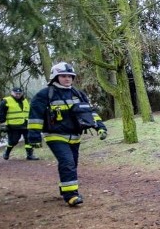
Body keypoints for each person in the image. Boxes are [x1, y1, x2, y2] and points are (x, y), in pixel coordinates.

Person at [27, 62, 107, 207]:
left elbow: (89, 113)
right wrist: (34, 137)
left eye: (70, 76)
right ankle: (71, 196)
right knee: (67, 162)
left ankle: (65, 189)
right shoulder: (45, 94)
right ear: (55, 77)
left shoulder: (78, 93)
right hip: (54, 135)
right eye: (63, 76)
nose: (67, 79)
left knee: (72, 163)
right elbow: (35, 116)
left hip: (75, 136)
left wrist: (100, 127)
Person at [0, 87, 39, 161]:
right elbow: (1, 114)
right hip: (13, 126)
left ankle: (30, 155)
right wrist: (3, 124)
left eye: (19, 93)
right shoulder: (6, 101)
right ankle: (7, 152)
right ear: (12, 93)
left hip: (26, 124)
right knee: (13, 141)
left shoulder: (25, 100)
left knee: (28, 139)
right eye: (16, 93)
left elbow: (28, 112)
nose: (18, 95)